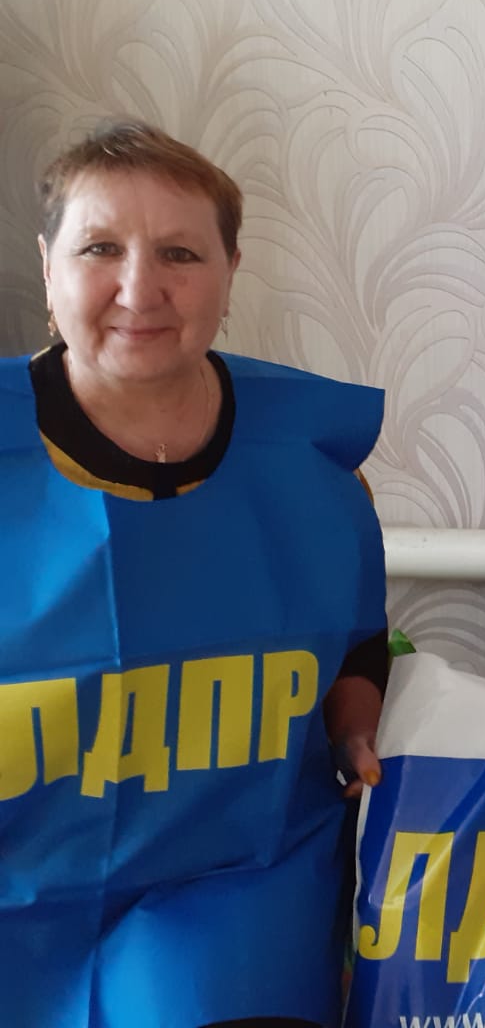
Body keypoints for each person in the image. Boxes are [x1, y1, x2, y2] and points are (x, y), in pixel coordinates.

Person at [0, 120, 388, 1027]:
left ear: (229, 271)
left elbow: (357, 644)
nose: (141, 288)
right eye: (100, 248)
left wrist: (354, 729)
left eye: (180, 252)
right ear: (48, 267)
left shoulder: (315, 467)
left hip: (236, 901)